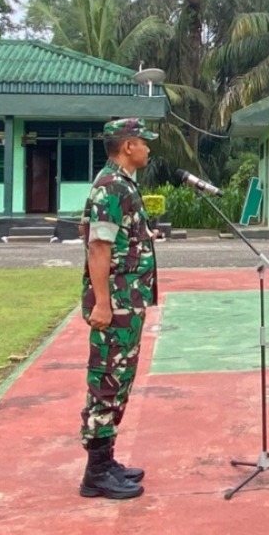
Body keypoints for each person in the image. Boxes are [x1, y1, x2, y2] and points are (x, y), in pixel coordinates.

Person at [78, 118, 160, 500]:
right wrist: (103, 303)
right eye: (144, 142)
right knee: (107, 380)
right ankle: (95, 472)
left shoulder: (122, 184)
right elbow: (99, 247)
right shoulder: (111, 186)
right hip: (116, 303)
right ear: (128, 145)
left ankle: (106, 460)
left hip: (128, 301)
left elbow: (118, 240)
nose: (148, 148)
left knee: (119, 378)